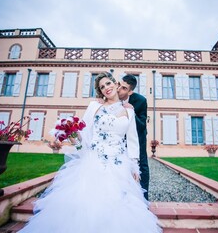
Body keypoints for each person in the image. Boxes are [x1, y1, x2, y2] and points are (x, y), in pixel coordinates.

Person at [18, 72, 161, 233]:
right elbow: (84, 136)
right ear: (100, 91)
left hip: (119, 162)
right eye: (102, 87)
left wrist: (134, 166)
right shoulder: (95, 106)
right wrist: (73, 137)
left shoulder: (129, 110)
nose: (106, 88)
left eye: (108, 83)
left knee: (120, 205)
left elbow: (133, 140)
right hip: (94, 161)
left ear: (115, 84)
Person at [118, 74, 150, 200]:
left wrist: (132, 112)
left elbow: (142, 126)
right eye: (119, 84)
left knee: (142, 167)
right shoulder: (111, 97)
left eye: (124, 88)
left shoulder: (141, 101)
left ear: (130, 91)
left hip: (137, 139)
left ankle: (143, 199)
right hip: (117, 139)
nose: (119, 89)